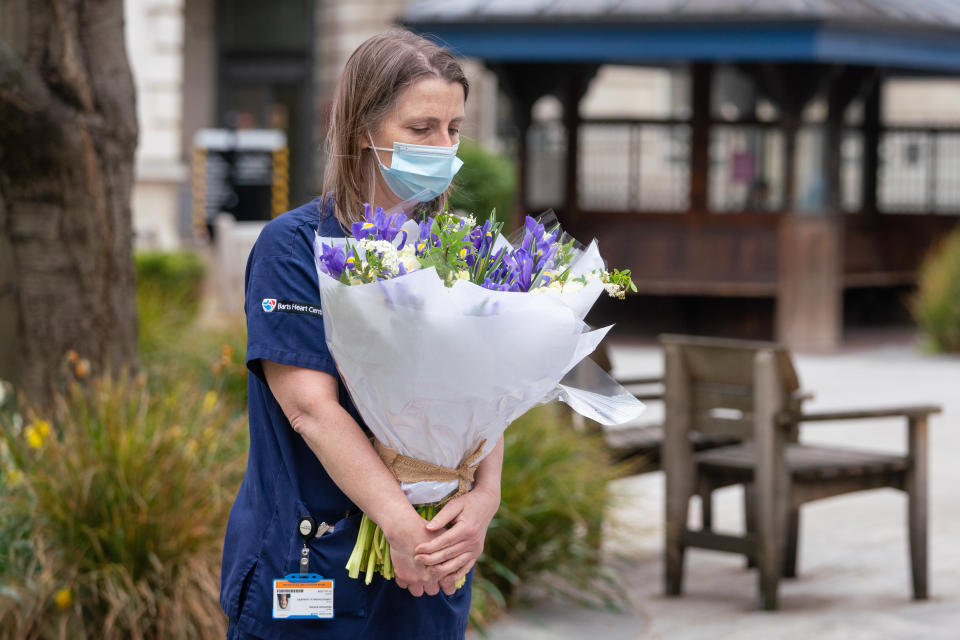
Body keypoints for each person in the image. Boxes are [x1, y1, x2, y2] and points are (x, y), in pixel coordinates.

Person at [220, 30, 503, 640]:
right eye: (421, 128)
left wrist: (484, 500)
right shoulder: (293, 248)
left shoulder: (457, 250)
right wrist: (400, 525)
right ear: (362, 133)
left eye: (454, 129)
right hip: (313, 564)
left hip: (429, 570)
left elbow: (489, 391)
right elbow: (311, 410)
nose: (443, 146)